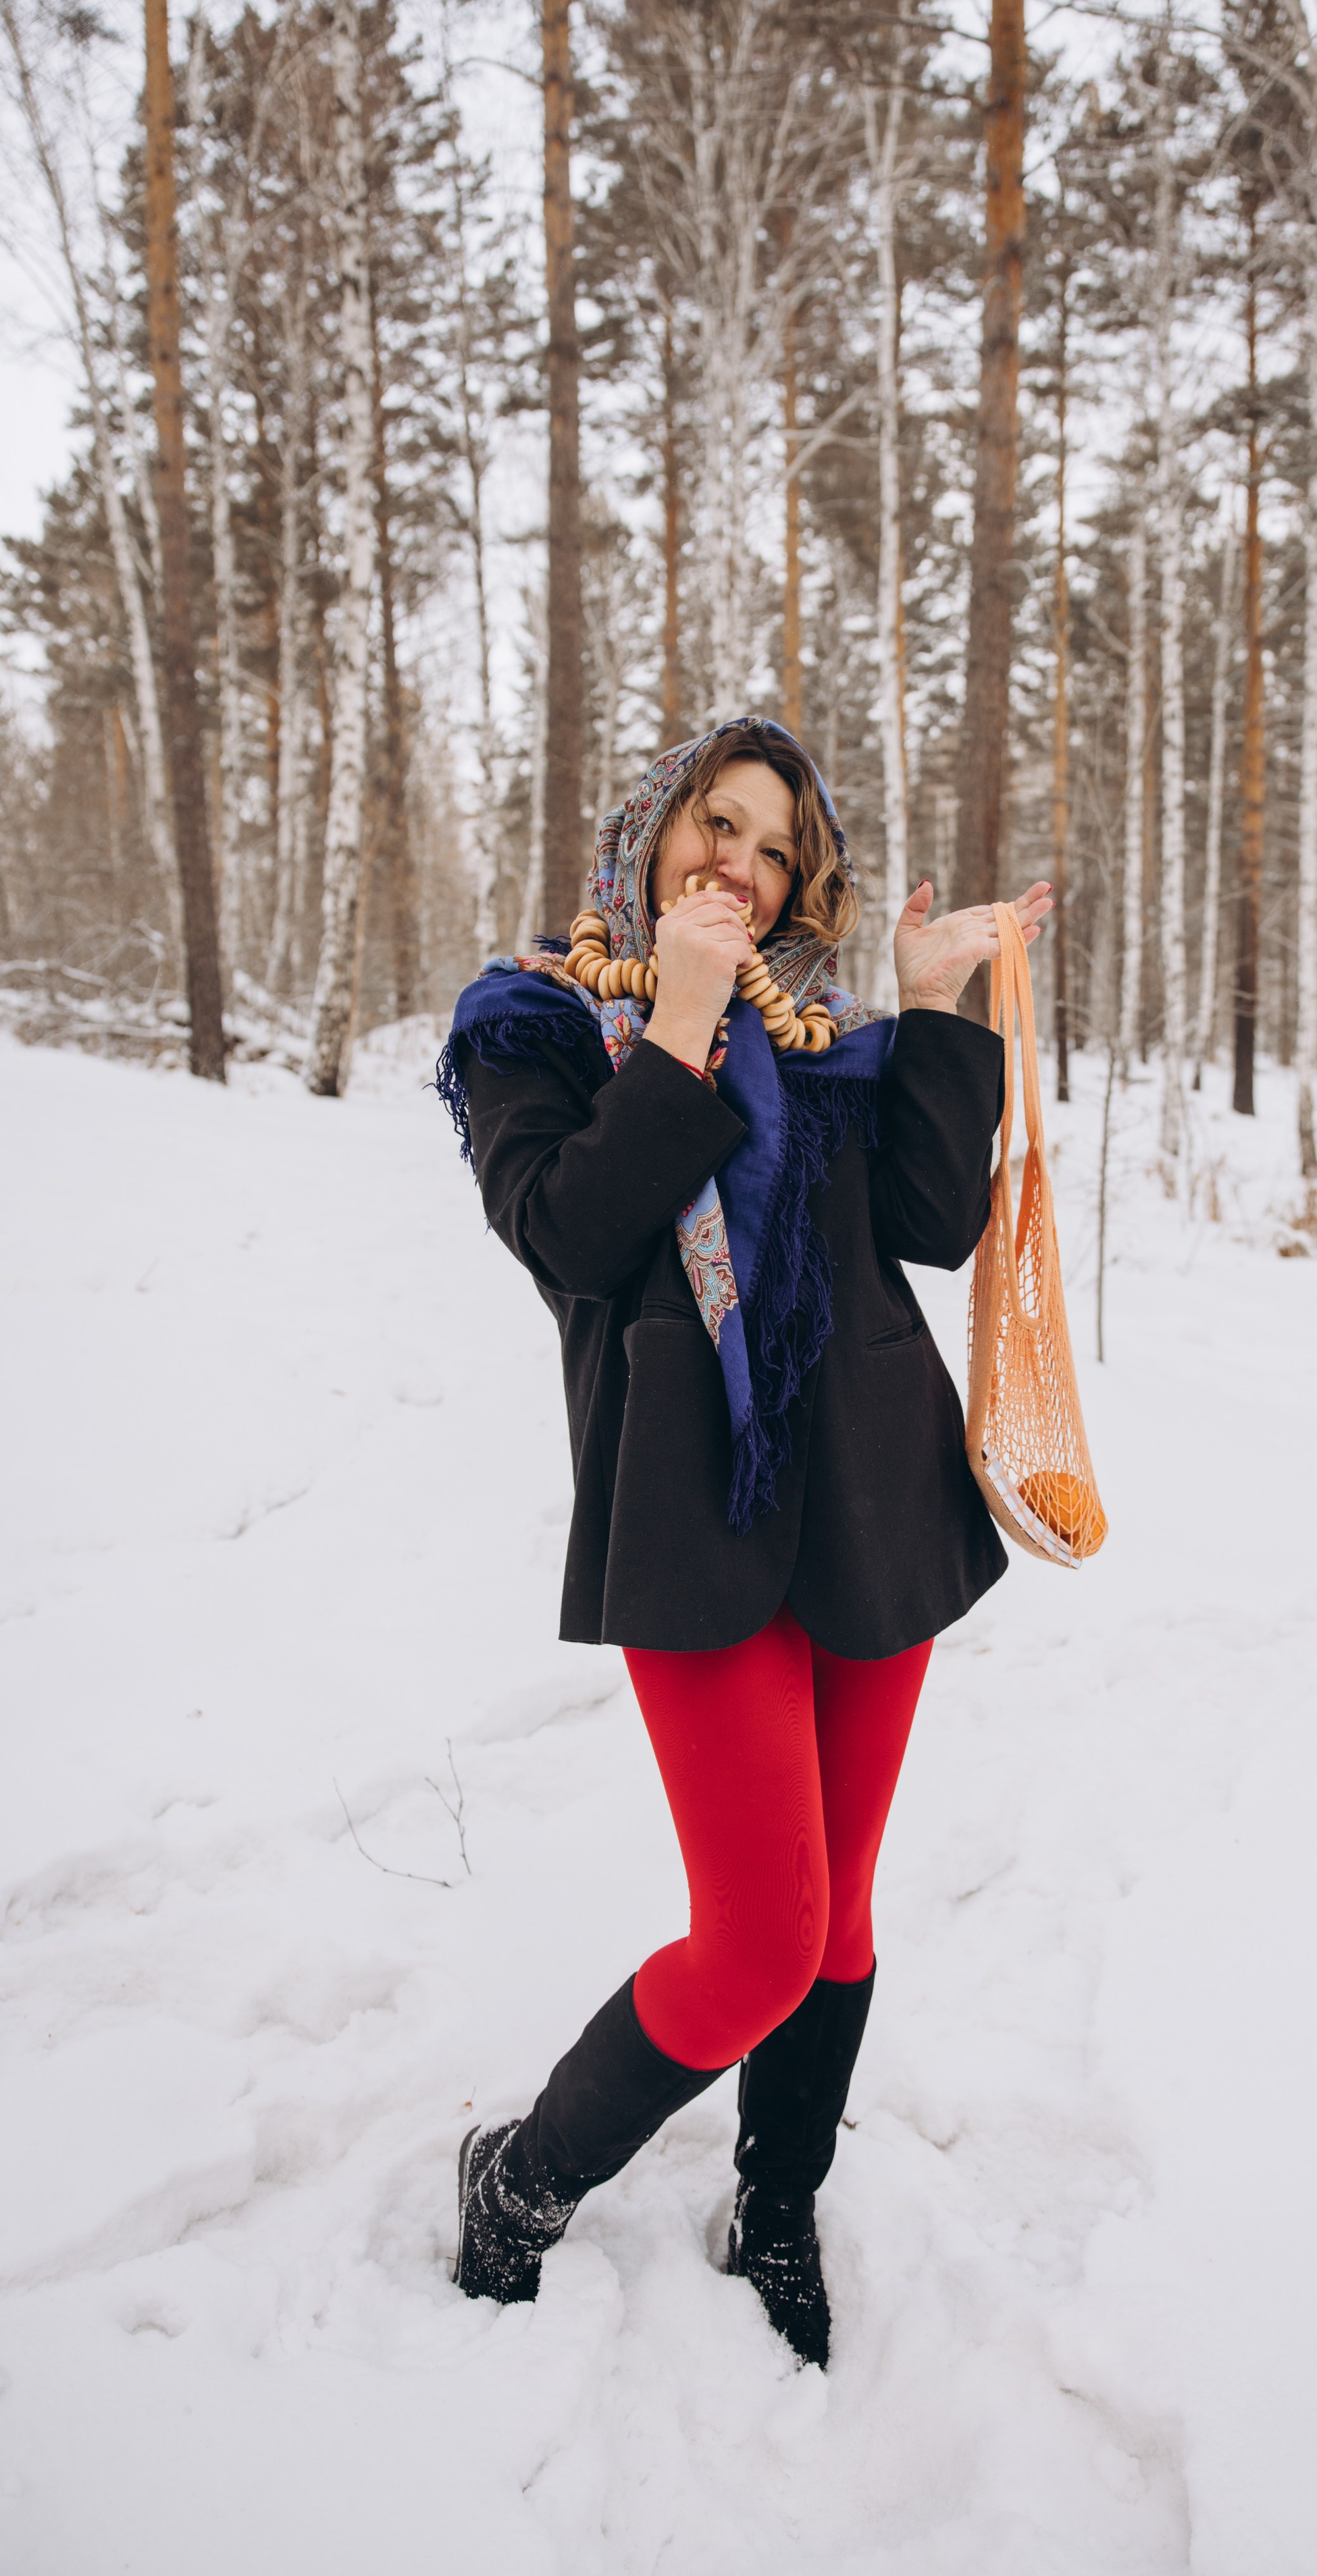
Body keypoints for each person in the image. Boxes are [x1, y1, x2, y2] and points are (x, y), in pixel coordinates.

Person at [434, 716, 1048, 2367]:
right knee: (759, 1934)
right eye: (719, 823)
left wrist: (929, 1005)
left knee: (836, 1917)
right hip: (690, 1529)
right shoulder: (536, 1027)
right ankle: (526, 2174)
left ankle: (773, 2206)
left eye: (777, 848)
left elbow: (927, 1223)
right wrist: (682, 1031)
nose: (742, 866)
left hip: (872, 1509)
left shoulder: (832, 1035)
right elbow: (567, 1234)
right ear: (652, 832)